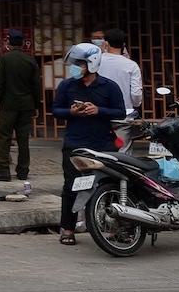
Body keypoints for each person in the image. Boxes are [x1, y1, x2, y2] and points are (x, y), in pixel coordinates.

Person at [53, 43, 127, 246]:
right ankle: (68, 229)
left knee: (110, 186)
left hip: (103, 144)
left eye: (80, 63)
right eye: (75, 63)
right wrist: (71, 112)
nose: (75, 67)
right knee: (71, 187)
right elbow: (56, 110)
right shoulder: (66, 86)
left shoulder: (109, 86)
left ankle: (114, 228)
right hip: (75, 143)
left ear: (92, 64)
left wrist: (99, 110)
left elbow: (120, 112)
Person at [0, 30, 41, 183]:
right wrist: (36, 105)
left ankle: (3, 170)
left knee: (3, 138)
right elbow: (36, 85)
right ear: (23, 43)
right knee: (23, 139)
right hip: (26, 105)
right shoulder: (30, 60)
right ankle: (23, 171)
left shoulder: (4, 59)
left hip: (7, 105)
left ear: (8, 42)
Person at [97, 29, 143, 136]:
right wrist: (134, 105)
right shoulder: (132, 65)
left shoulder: (96, 62)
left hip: (99, 113)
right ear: (123, 45)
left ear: (106, 43)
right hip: (124, 114)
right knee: (122, 145)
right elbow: (136, 94)